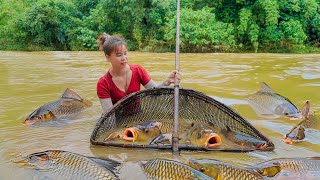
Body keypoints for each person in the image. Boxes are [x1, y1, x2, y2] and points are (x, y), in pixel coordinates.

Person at [97, 33, 181, 112]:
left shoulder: (138, 70)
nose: (124, 58)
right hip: (119, 121)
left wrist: (167, 81)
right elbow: (109, 117)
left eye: (125, 53)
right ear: (107, 57)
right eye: (119, 55)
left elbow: (155, 93)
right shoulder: (103, 83)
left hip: (137, 116)